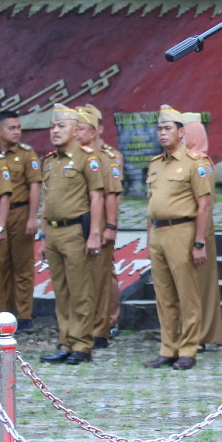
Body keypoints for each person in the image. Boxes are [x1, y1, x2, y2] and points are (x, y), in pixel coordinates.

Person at [143, 106, 214, 370]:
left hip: (182, 231)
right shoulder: (155, 164)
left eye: (168, 128)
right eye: (160, 129)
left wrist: (199, 242)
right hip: (158, 233)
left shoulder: (196, 163)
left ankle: (188, 348)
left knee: (187, 294)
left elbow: (204, 206)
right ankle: (168, 347)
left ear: (181, 132)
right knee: (164, 295)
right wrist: (149, 239)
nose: (162, 133)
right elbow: (151, 205)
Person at [35, 105, 105, 364]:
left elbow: (96, 197)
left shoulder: (88, 159)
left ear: (76, 131)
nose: (55, 131)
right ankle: (65, 342)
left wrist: (94, 234)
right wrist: (42, 237)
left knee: (80, 291)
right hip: (53, 232)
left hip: (76, 230)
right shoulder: (50, 162)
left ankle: (82, 345)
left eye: (61, 126)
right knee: (61, 292)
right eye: (53, 126)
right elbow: (47, 201)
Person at [0, 110, 42, 332]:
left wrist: (31, 217)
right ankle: (5, 313)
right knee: (1, 267)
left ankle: (25, 313)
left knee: (23, 264)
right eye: (12, 128)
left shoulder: (27, 155)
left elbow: (34, 186)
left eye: (19, 128)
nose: (17, 132)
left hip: (20, 212)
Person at [76, 105, 124, 349]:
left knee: (103, 276)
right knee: (84, 277)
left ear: (94, 131)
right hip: (79, 221)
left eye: (80, 128)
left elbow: (112, 195)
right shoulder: (76, 155)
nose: (75, 133)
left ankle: (104, 325)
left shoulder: (109, 157)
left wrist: (110, 226)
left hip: (101, 221)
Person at [180, 114, 222, 356]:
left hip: (199, 229)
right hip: (181, 230)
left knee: (200, 285)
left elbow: (204, 205)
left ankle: (200, 334)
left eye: (183, 133)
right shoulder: (179, 162)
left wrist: (199, 240)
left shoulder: (201, 163)